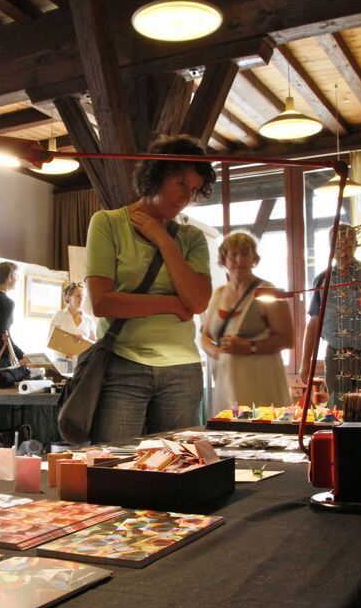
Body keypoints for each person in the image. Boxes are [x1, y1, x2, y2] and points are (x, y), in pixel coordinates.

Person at [86, 135, 214, 444]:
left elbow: (197, 302)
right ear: (156, 174)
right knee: (114, 465)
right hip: (122, 366)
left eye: (194, 189)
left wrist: (164, 240)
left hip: (182, 371)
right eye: (181, 183)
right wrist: (171, 304)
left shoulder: (191, 238)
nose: (186, 197)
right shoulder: (107, 223)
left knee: (177, 470)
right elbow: (102, 303)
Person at [299, 224, 361, 409]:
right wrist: (305, 362)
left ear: (356, 244)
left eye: (347, 245)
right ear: (330, 247)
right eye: (337, 246)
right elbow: (314, 321)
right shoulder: (323, 279)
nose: (342, 252)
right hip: (336, 354)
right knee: (337, 410)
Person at [201, 232, 293, 412]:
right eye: (233, 255)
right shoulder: (218, 294)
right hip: (227, 384)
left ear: (254, 258)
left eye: (244, 254)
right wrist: (218, 352)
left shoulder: (267, 291)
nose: (239, 260)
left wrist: (249, 346)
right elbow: (205, 335)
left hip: (261, 383)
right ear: (224, 260)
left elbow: (286, 339)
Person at [48, 281, 96, 371]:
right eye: (78, 296)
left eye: (83, 296)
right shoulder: (59, 315)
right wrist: (64, 352)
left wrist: (84, 339)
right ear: (68, 297)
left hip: (83, 363)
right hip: (62, 362)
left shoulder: (89, 319)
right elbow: (51, 340)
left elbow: (95, 344)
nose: (82, 299)